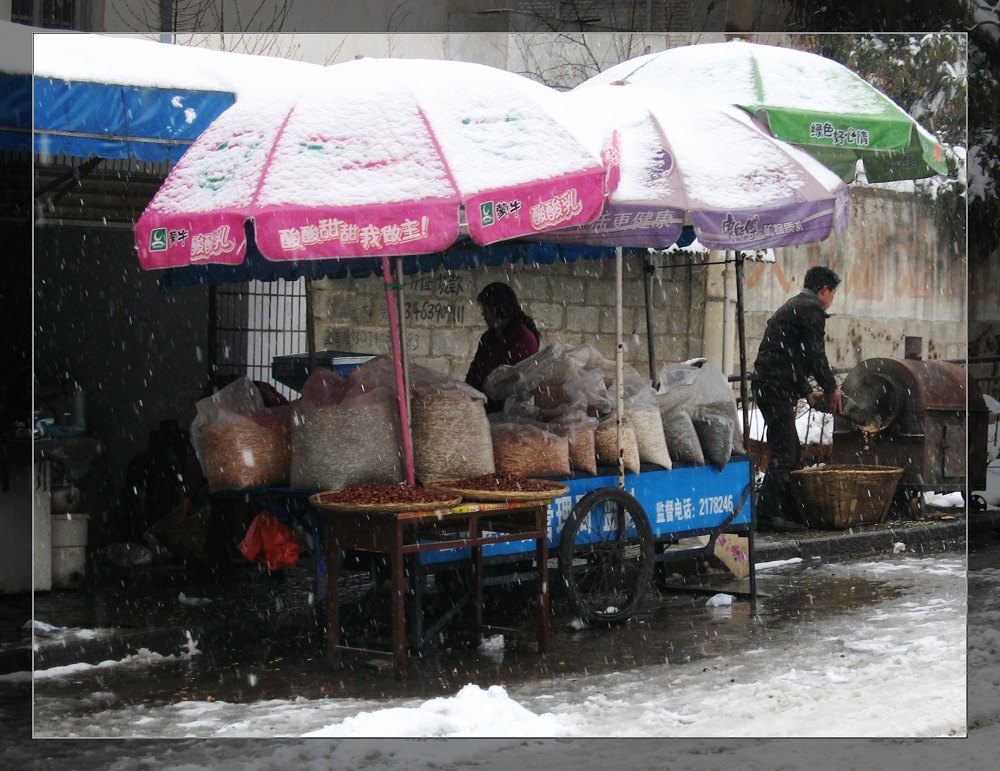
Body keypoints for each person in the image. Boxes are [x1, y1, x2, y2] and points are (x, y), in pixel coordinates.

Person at [752, 265, 844, 533]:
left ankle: (781, 509)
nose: (831, 300)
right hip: (775, 386)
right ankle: (767, 515)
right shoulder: (811, 309)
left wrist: (805, 390)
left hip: (772, 383)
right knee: (786, 450)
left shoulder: (795, 305)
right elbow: (815, 355)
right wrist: (830, 389)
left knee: (787, 447)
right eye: (832, 293)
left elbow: (793, 354)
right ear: (824, 290)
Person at [465, 281, 540, 412]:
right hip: (484, 408)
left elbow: (515, 381)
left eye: (485, 309)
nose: (483, 315)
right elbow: (475, 374)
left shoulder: (523, 338)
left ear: (497, 308)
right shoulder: (489, 337)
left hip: (510, 413)